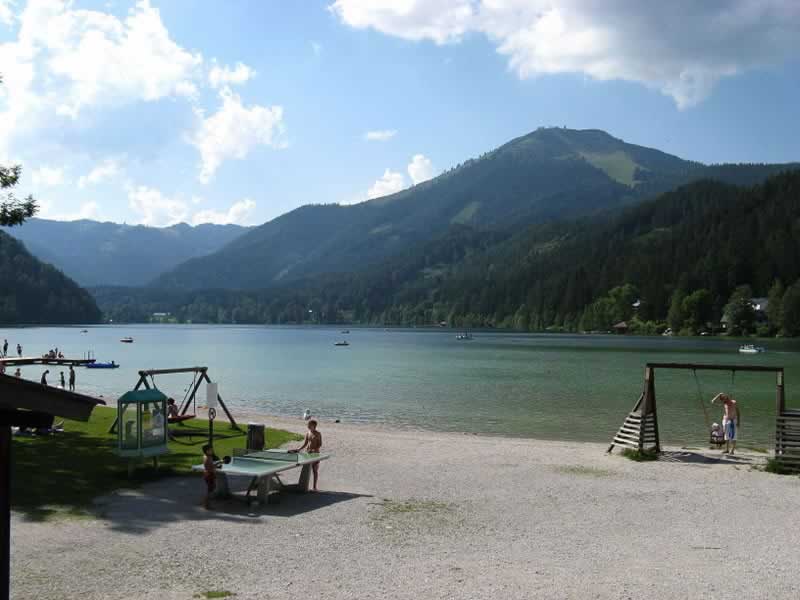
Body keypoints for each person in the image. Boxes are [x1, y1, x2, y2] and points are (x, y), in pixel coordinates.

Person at [290, 419, 322, 491]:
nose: (308, 426)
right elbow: (305, 444)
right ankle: (305, 486)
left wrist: (314, 450)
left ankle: (314, 487)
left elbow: (320, 444)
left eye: (309, 425)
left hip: (316, 454)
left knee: (315, 470)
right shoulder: (308, 433)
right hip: (308, 453)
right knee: (307, 470)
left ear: (314, 426)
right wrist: (298, 449)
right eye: (308, 425)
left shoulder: (318, 434)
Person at [201, 444, 218, 509]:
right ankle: (207, 504)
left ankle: (206, 503)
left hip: (208, 474)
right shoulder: (208, 458)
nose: (212, 451)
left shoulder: (206, 456)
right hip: (209, 475)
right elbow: (209, 467)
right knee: (210, 490)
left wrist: (217, 463)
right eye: (210, 450)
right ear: (207, 451)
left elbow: (210, 465)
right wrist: (216, 465)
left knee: (212, 488)